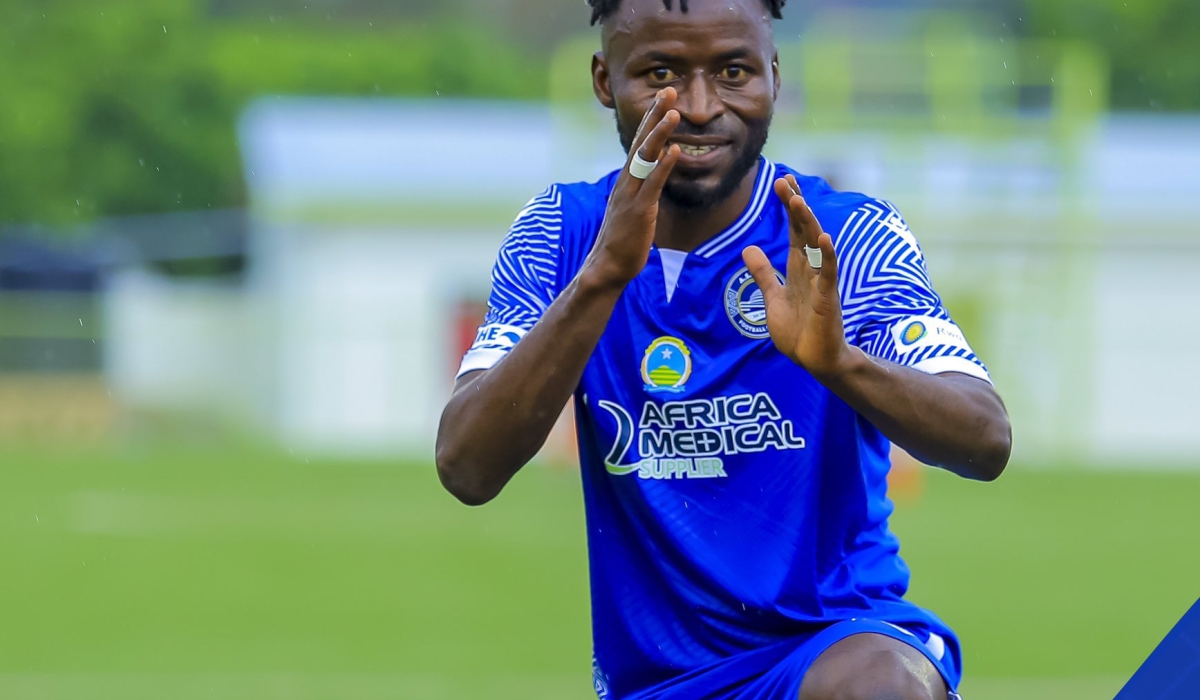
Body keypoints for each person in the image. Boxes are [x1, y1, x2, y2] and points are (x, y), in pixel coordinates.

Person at [435, 0, 1012, 697]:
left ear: (774, 76)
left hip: (830, 646)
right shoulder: (563, 232)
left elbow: (985, 440)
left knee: (881, 685)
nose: (701, 107)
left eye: (734, 72)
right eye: (661, 74)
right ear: (604, 81)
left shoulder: (841, 236)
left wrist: (841, 364)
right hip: (655, 681)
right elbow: (467, 467)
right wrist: (603, 278)